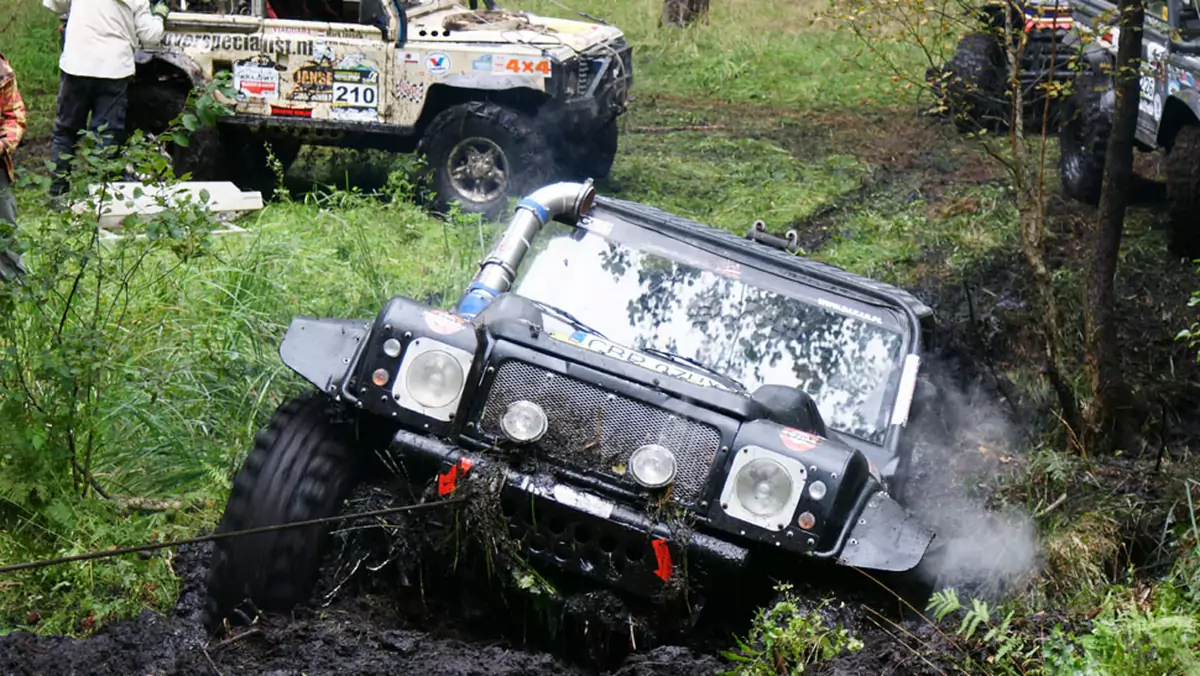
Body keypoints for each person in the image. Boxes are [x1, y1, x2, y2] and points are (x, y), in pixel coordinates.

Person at [43, 0, 171, 201]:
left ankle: (57, 195)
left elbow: (56, 4)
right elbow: (151, 36)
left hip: (77, 63)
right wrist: (160, 14)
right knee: (106, 137)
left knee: (66, 132)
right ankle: (100, 198)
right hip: (114, 69)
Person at [0, 52, 28, 280]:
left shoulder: (1, 71)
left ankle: (17, 294)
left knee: (4, 232)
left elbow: (15, 116)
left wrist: (3, 143)